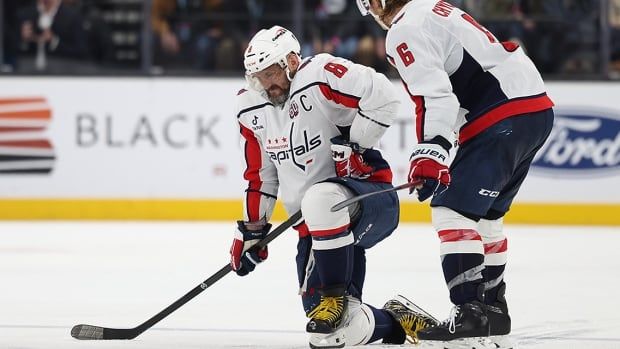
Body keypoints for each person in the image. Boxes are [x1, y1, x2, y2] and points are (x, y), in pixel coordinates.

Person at [357, 0, 555, 346]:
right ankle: (493, 310)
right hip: (533, 108)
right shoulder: (430, 6)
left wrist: (430, 152)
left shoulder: (403, 28)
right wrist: (435, 152)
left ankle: (470, 312)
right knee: (486, 218)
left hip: (501, 111)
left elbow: (437, 97)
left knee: (452, 211)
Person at [230, 25, 438, 348]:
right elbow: (261, 176)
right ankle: (395, 320)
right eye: (257, 76)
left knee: (320, 198)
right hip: (317, 228)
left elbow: (384, 96)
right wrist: (251, 230)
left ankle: (334, 297)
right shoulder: (250, 107)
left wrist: (355, 144)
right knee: (329, 333)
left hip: (367, 199)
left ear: (291, 62)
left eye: (271, 72)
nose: (265, 84)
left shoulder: (320, 76)